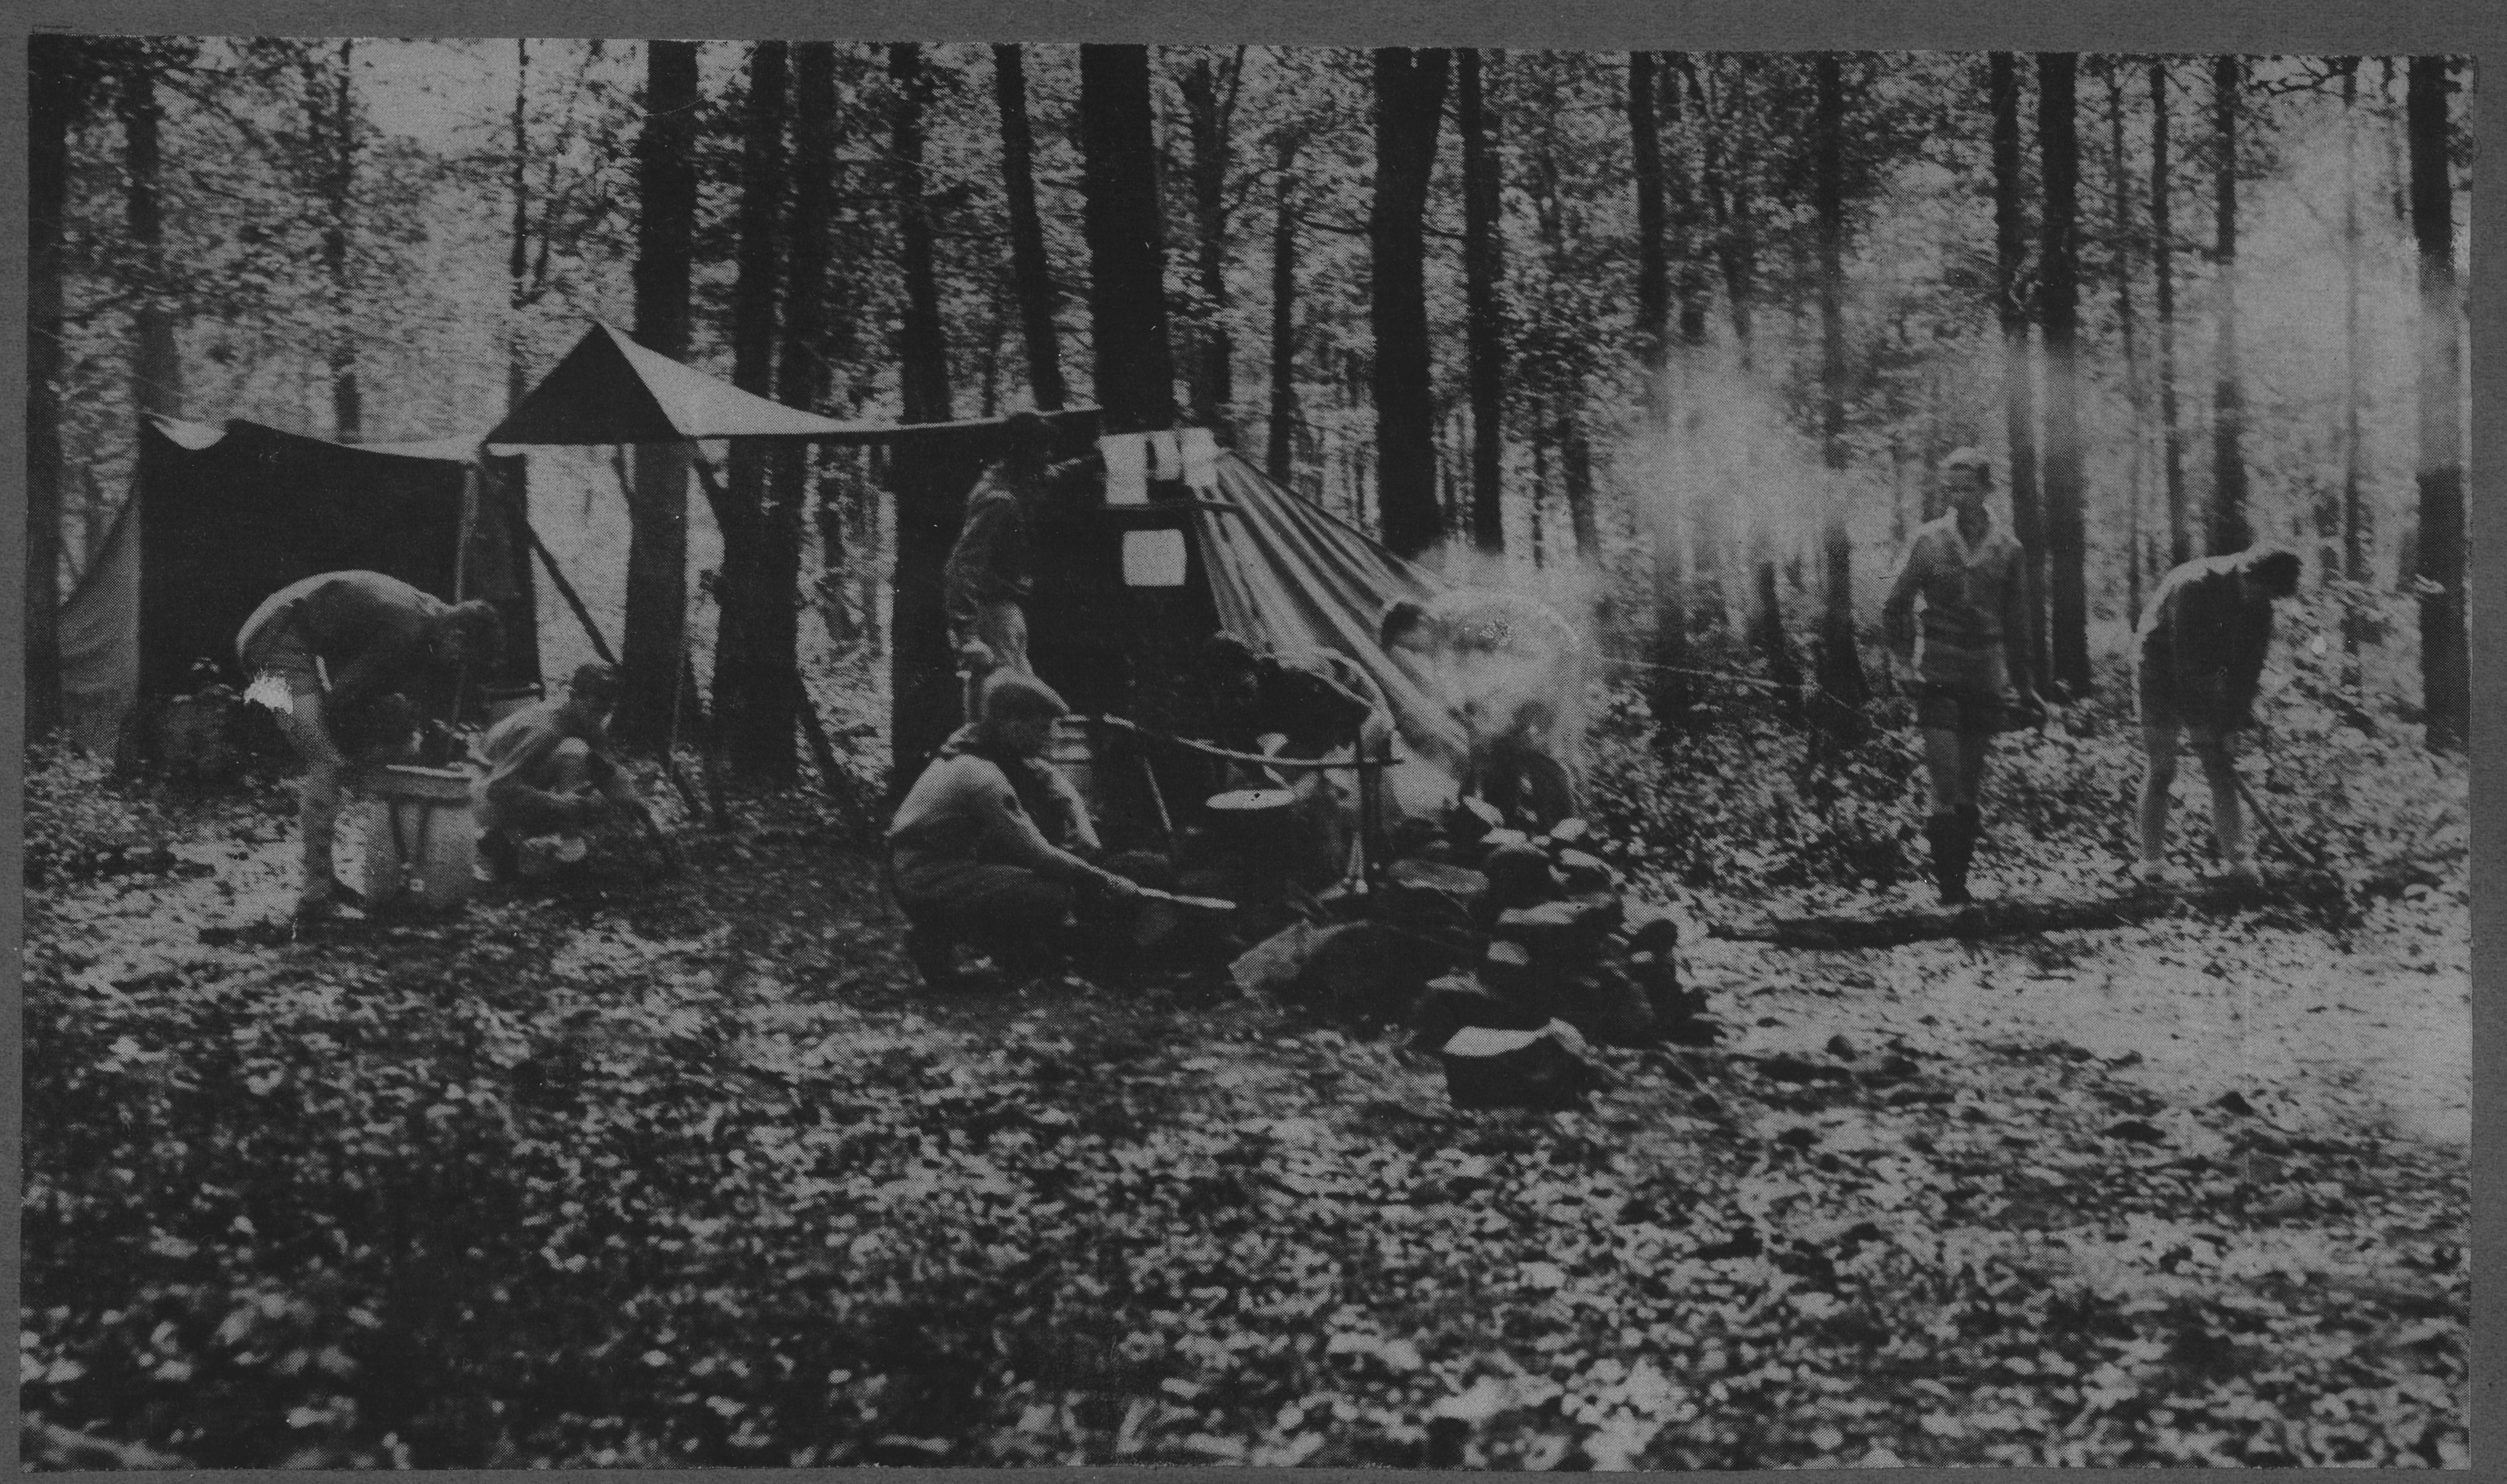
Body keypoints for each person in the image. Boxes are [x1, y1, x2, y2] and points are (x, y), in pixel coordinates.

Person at [235, 570, 503, 918]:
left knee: (375, 741)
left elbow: (406, 693)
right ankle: (316, 895)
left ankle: (328, 881)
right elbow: (342, 701)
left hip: (308, 628)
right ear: (456, 635)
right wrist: (359, 757)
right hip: (276, 634)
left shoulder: (432, 619)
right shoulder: (404, 631)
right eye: (461, 657)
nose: (456, 665)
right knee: (326, 759)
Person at [886, 670, 1143, 990]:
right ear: (1013, 725)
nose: (1050, 738)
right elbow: (1038, 854)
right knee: (1049, 893)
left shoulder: (981, 748)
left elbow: (1054, 782)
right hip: (925, 879)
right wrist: (1104, 880)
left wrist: (1083, 826)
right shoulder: (980, 774)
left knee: (1031, 876)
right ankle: (959, 942)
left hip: (925, 870)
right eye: (1042, 728)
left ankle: (965, 938)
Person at [1879, 448, 2042, 906]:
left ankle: (1961, 885)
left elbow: (2018, 625)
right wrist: (1903, 662)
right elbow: (1895, 603)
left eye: (1967, 489)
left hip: (1985, 677)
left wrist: (2025, 688)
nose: (1958, 498)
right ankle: (1948, 890)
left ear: (1987, 489)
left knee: (1970, 786)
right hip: (1937, 673)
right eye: (1951, 489)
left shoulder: (2009, 549)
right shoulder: (1928, 541)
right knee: (1945, 781)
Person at [2131, 546, 2304, 887]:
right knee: (2163, 768)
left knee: (2221, 769)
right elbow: (2188, 668)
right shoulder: (2194, 587)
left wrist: (2231, 725)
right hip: (2158, 671)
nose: (2264, 602)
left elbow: (2248, 672)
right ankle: (2151, 862)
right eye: (2263, 592)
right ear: (2248, 576)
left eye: (2271, 597)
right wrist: (2205, 730)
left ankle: (2238, 862)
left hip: (2205, 674)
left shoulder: (2261, 606)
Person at [1380, 590, 1587, 829]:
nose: (1415, 653)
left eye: (1412, 645)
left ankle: (1566, 832)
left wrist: (1505, 707)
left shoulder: (1465, 622)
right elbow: (1462, 694)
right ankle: (1501, 822)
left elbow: (1511, 642)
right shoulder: (1442, 637)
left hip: (1554, 649)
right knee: (1501, 743)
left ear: (1422, 623)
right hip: (1532, 656)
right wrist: (1478, 720)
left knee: (1533, 743)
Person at [1200, 633, 1394, 889]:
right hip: (1307, 725)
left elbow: (1378, 722)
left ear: (1255, 670)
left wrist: (1328, 773)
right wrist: (1286, 797)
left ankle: (1368, 868)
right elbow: (1258, 775)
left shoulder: (1295, 680)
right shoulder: (1229, 708)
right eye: (1229, 695)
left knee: (1354, 797)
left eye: (1243, 691)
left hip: (1354, 695)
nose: (1239, 702)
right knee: (1297, 794)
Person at [470, 662, 674, 883]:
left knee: (588, 788)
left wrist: (648, 821)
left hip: (504, 782)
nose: (600, 718)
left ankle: (512, 843)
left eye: (606, 711)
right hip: (479, 797)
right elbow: (499, 789)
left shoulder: (581, 719)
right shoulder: (545, 729)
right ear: (573, 696)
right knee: (575, 758)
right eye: (595, 709)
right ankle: (556, 859)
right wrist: (558, 803)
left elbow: (609, 773)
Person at [943, 410, 1061, 720]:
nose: (1048, 456)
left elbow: (1053, 474)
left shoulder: (1010, 480)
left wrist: (1093, 462)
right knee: (1006, 714)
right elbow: (962, 565)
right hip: (993, 617)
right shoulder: (999, 500)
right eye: (1042, 449)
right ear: (1023, 452)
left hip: (1003, 615)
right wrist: (968, 636)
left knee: (1014, 710)